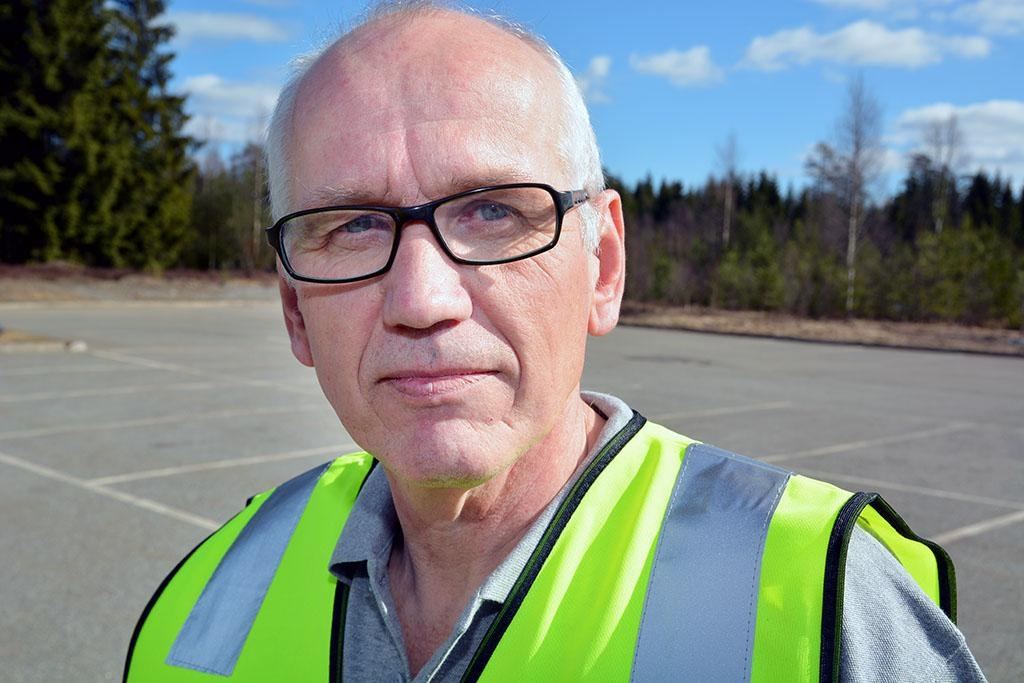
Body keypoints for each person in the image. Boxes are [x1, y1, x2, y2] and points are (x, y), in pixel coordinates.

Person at [125, 3, 986, 681]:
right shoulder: (206, 599)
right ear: (294, 310)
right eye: (351, 225)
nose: (422, 300)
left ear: (602, 266)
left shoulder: (822, 603)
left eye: (493, 210)